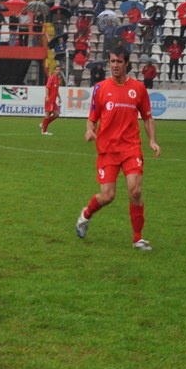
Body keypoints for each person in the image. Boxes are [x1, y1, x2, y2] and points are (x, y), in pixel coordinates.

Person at [75, 46, 161, 251]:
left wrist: (152, 141)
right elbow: (92, 118)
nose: (115, 65)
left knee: (135, 190)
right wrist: (89, 131)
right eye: (112, 61)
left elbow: (147, 117)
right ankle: (86, 214)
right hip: (107, 149)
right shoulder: (100, 88)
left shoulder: (138, 88)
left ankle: (137, 239)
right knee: (107, 195)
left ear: (126, 64)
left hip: (131, 147)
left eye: (119, 62)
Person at [40, 65, 62, 135]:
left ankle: (43, 124)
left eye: (59, 70)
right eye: (57, 69)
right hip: (49, 100)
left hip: (54, 101)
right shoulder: (51, 77)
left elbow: (56, 89)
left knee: (56, 114)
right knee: (47, 115)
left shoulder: (58, 79)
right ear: (54, 70)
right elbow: (47, 87)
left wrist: (59, 97)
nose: (58, 71)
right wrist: (47, 96)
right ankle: (44, 131)